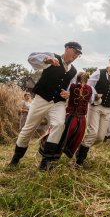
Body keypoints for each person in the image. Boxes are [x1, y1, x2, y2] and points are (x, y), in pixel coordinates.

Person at [8, 41, 82, 170]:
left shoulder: (74, 71)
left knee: (59, 125)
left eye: (78, 54)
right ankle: (16, 158)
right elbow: (31, 58)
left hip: (58, 103)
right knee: (28, 129)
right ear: (67, 48)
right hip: (41, 99)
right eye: (75, 52)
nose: (76, 56)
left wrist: (68, 93)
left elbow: (71, 87)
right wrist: (47, 60)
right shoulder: (52, 56)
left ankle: (45, 162)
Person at [75, 55, 110, 166]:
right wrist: (95, 95)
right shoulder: (99, 73)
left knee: (99, 138)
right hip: (95, 107)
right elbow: (88, 86)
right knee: (92, 133)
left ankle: (80, 148)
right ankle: (78, 162)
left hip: (107, 109)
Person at [39, 71, 93, 160]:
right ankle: (54, 155)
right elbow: (93, 101)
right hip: (81, 119)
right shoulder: (90, 89)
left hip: (70, 117)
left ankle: (52, 156)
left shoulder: (72, 86)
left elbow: (64, 95)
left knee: (60, 137)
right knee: (69, 138)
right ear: (87, 80)